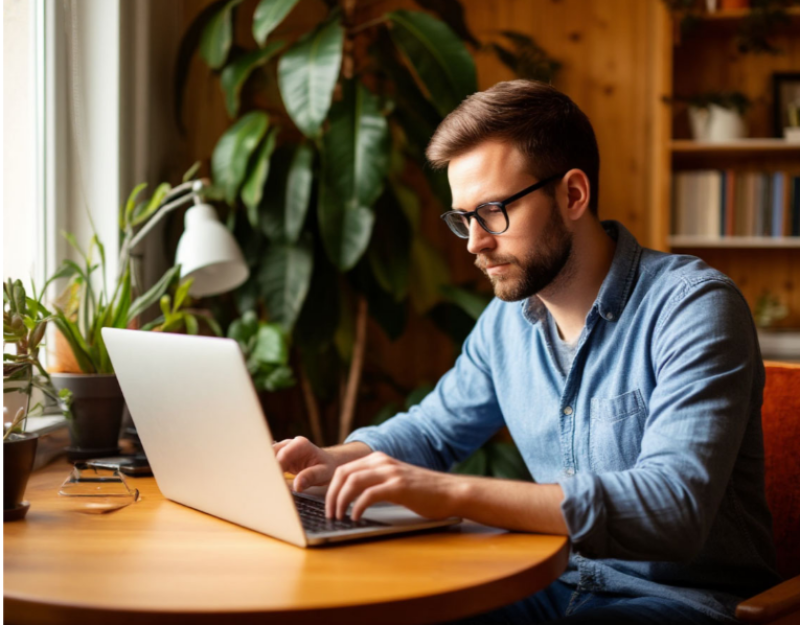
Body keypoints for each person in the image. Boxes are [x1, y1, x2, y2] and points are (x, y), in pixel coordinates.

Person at [273, 80, 780, 624]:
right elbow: (431, 433)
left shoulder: (693, 307)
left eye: (492, 211)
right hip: (547, 583)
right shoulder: (506, 322)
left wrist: (453, 494)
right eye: (463, 218)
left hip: (684, 603)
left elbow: (672, 507)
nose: (474, 242)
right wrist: (335, 460)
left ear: (573, 195)